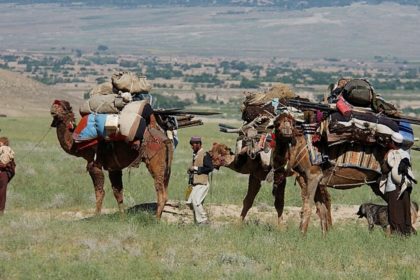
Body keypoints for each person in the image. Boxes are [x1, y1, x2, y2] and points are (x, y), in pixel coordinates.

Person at [381, 132, 416, 236]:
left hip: (394, 186)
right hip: (406, 185)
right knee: (405, 208)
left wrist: (385, 158)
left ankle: (397, 234)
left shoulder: (391, 154)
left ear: (392, 142)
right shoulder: (406, 154)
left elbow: (384, 170)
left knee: (394, 210)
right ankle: (407, 231)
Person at [186, 136, 213, 225]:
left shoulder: (205, 154)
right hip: (195, 184)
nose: (192, 147)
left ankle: (203, 220)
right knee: (190, 202)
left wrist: (196, 168)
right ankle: (197, 222)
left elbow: (210, 168)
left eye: (193, 145)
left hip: (202, 183)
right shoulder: (195, 154)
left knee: (196, 201)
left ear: (198, 144)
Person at [0, 137, 16, 215]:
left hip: (3, 174)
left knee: (2, 192)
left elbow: (10, 166)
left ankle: (1, 210)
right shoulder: (9, 152)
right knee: (2, 192)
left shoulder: (6, 151)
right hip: (4, 174)